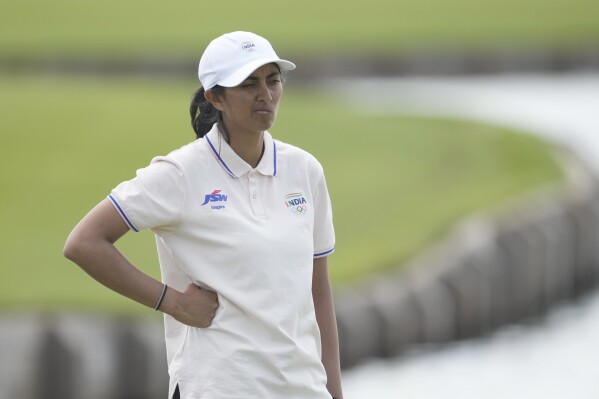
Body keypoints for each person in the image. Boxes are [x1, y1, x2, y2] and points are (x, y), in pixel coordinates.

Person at [64, 31, 343, 399]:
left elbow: (317, 291)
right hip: (218, 388)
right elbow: (84, 243)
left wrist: (334, 392)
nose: (265, 94)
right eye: (248, 84)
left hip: (302, 389)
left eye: (272, 80)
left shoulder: (304, 170)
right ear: (215, 97)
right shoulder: (180, 173)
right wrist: (173, 302)